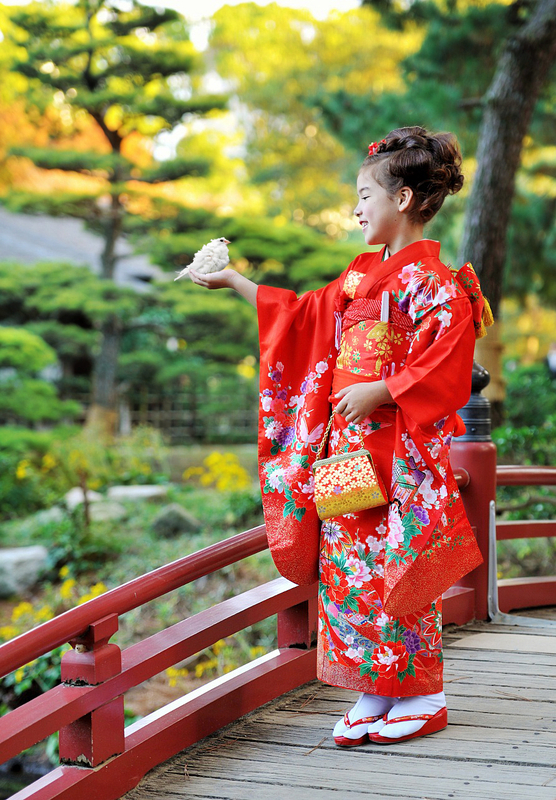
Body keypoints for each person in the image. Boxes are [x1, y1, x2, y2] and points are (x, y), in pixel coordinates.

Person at [189, 126, 490, 746]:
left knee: (398, 568)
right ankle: (373, 689)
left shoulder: (437, 283)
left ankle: (424, 693)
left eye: (364, 196)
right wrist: (236, 281)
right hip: (348, 452)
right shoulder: (357, 278)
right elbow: (301, 316)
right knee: (349, 568)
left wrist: (383, 389)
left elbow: (448, 364)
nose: (356, 209)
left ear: (402, 199)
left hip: (401, 456)